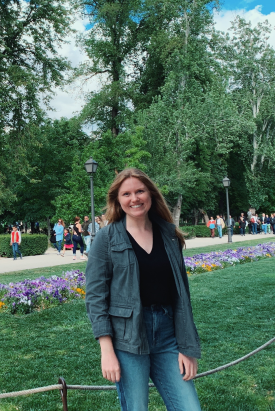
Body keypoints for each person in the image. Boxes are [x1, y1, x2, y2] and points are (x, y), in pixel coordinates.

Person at [85, 168, 201, 411]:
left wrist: (187, 347)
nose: (134, 198)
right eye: (126, 193)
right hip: (128, 338)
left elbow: (182, 296)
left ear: (151, 194)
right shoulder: (106, 239)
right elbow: (96, 298)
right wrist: (106, 351)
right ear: (118, 199)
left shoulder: (169, 235)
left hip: (168, 334)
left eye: (140, 191)